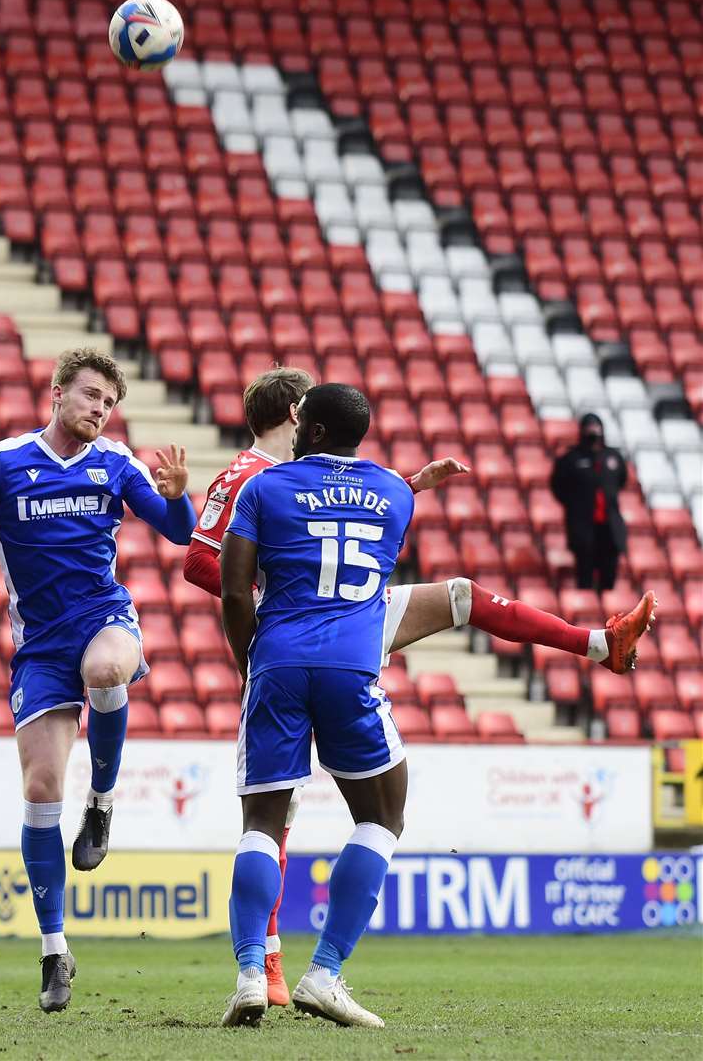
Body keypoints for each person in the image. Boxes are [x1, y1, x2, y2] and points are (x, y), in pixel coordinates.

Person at [186, 369, 657, 1008]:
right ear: (296, 413)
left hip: (293, 636)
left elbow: (313, 515)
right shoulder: (254, 475)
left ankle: (599, 644)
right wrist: (402, 487)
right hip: (333, 619)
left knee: (458, 596)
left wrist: (254, 653)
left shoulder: (274, 483)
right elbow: (202, 561)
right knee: (348, 814)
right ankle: (293, 968)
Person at [0, 347, 195, 1012]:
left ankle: (105, 800)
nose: (99, 409)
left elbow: (180, 532)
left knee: (106, 669)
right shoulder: (1, 464)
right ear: (56, 392)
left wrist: (178, 502)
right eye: (91, 395)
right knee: (38, 790)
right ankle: (54, 949)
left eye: (109, 402)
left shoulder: (117, 463)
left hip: (103, 617)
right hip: (38, 646)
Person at [218, 383, 415, 1029]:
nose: (294, 428)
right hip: (350, 668)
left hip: (277, 663)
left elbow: (233, 591)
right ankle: (325, 973)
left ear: (320, 432)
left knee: (261, 825)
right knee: (384, 815)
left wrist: (251, 661)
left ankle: (251, 974)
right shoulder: (395, 492)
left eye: (303, 422)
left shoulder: (265, 488)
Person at [550, 413, 629, 592]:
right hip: (583, 527)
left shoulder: (613, 457)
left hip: (609, 527)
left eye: (596, 427)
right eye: (589, 427)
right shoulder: (570, 459)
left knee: (609, 575)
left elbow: (621, 480)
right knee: (585, 575)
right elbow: (558, 486)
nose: (593, 431)